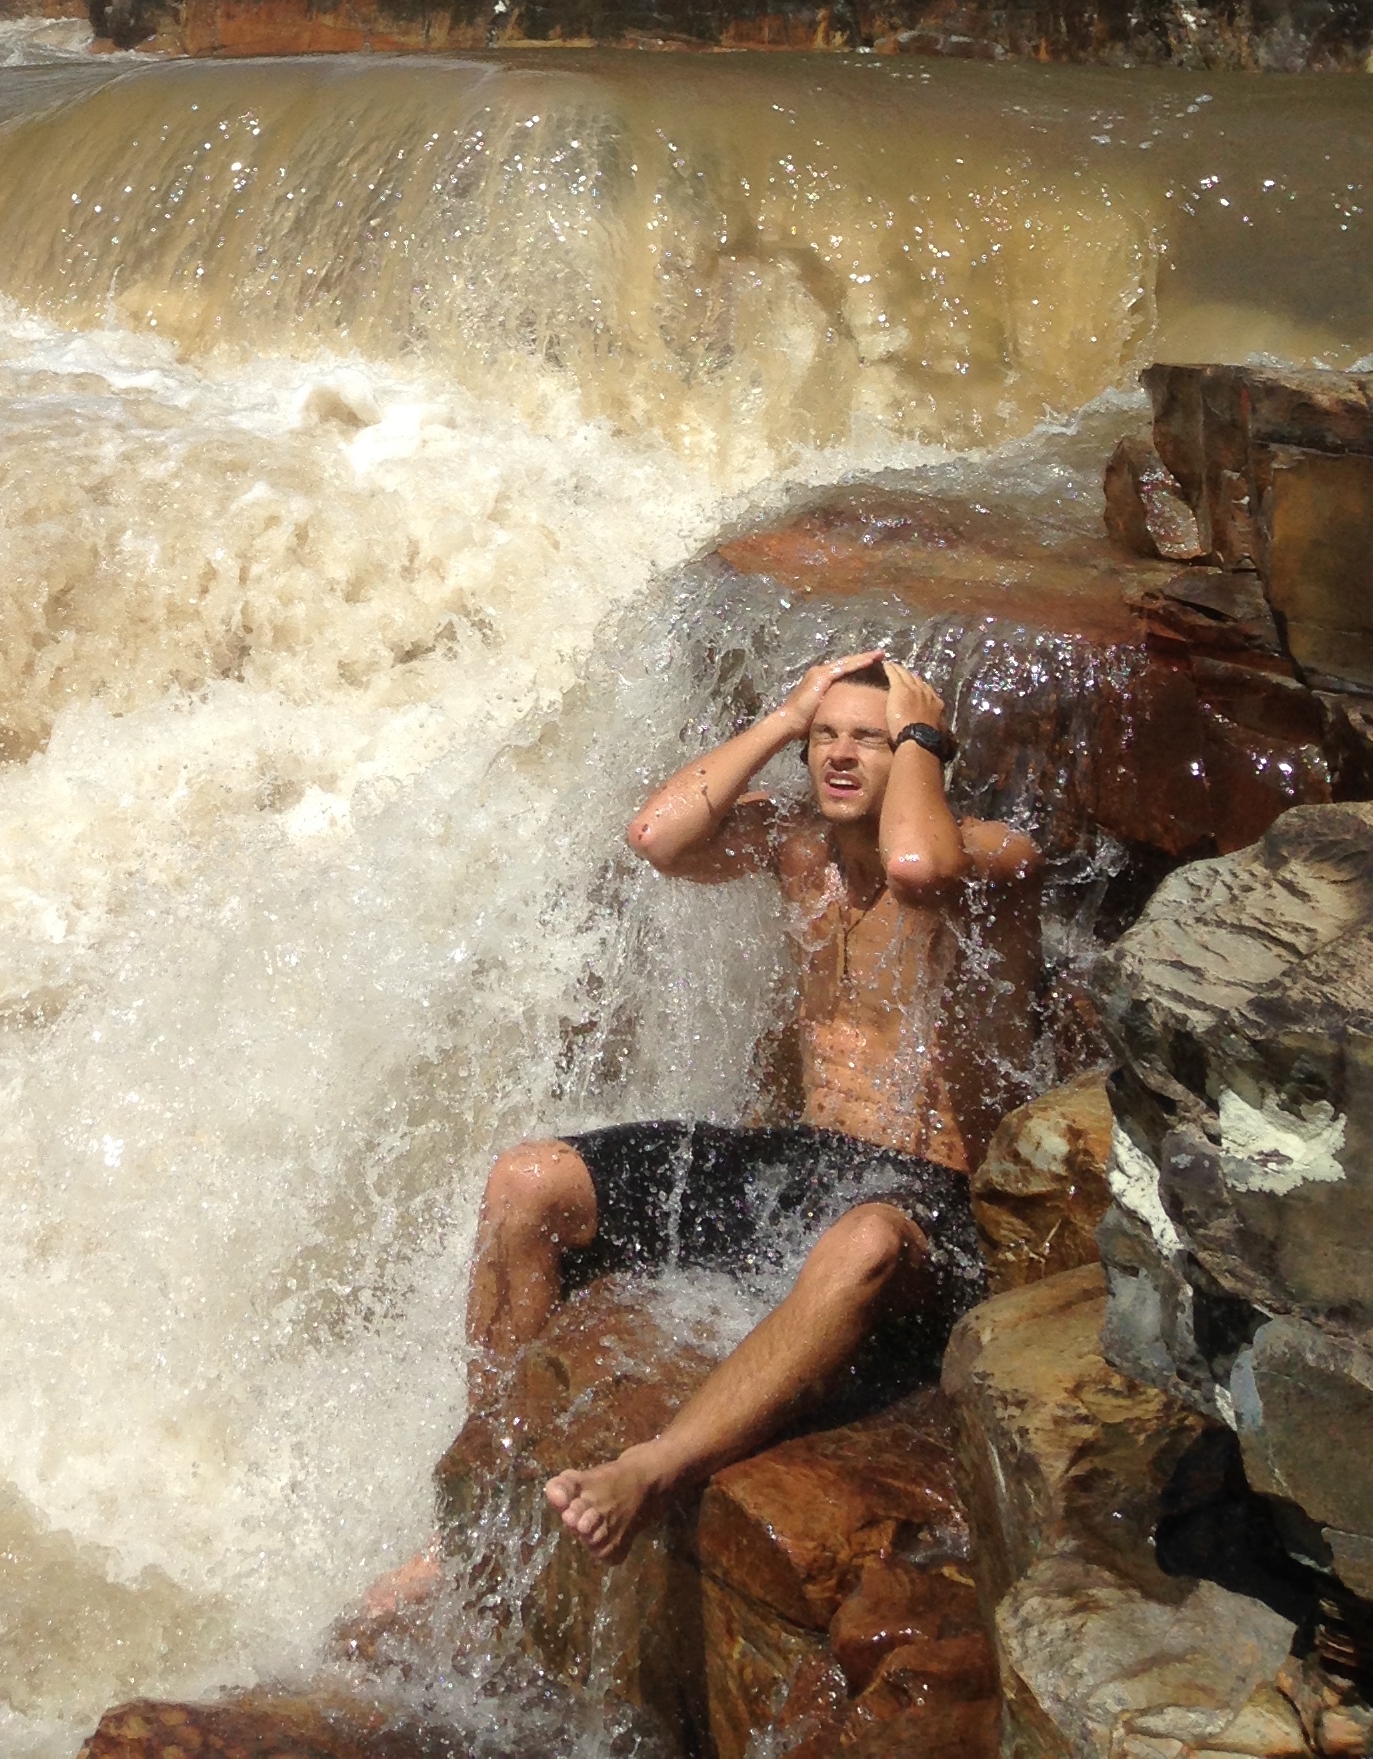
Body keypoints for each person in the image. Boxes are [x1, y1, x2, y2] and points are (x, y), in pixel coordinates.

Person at [367, 646, 1042, 1603]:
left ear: (921, 753)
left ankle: (656, 1466)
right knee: (528, 1181)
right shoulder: (798, 847)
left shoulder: (991, 854)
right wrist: (781, 717)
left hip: (920, 1197)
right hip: (799, 1165)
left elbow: (918, 866)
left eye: (872, 741)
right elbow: (659, 836)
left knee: (862, 1247)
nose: (840, 758)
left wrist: (924, 732)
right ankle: (478, 1521)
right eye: (826, 740)